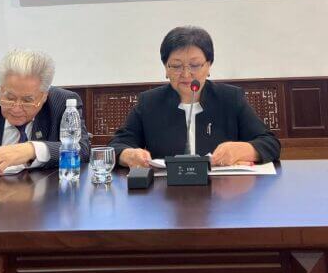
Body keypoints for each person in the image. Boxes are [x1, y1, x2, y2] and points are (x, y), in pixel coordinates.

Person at [109, 26, 281, 167]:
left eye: (195, 65)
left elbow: (270, 143)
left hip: (222, 191)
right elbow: (116, 146)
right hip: (167, 192)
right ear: (166, 68)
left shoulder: (230, 98)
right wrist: (128, 155)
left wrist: (244, 150)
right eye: (176, 66)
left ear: (209, 65)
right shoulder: (149, 102)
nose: (186, 74)